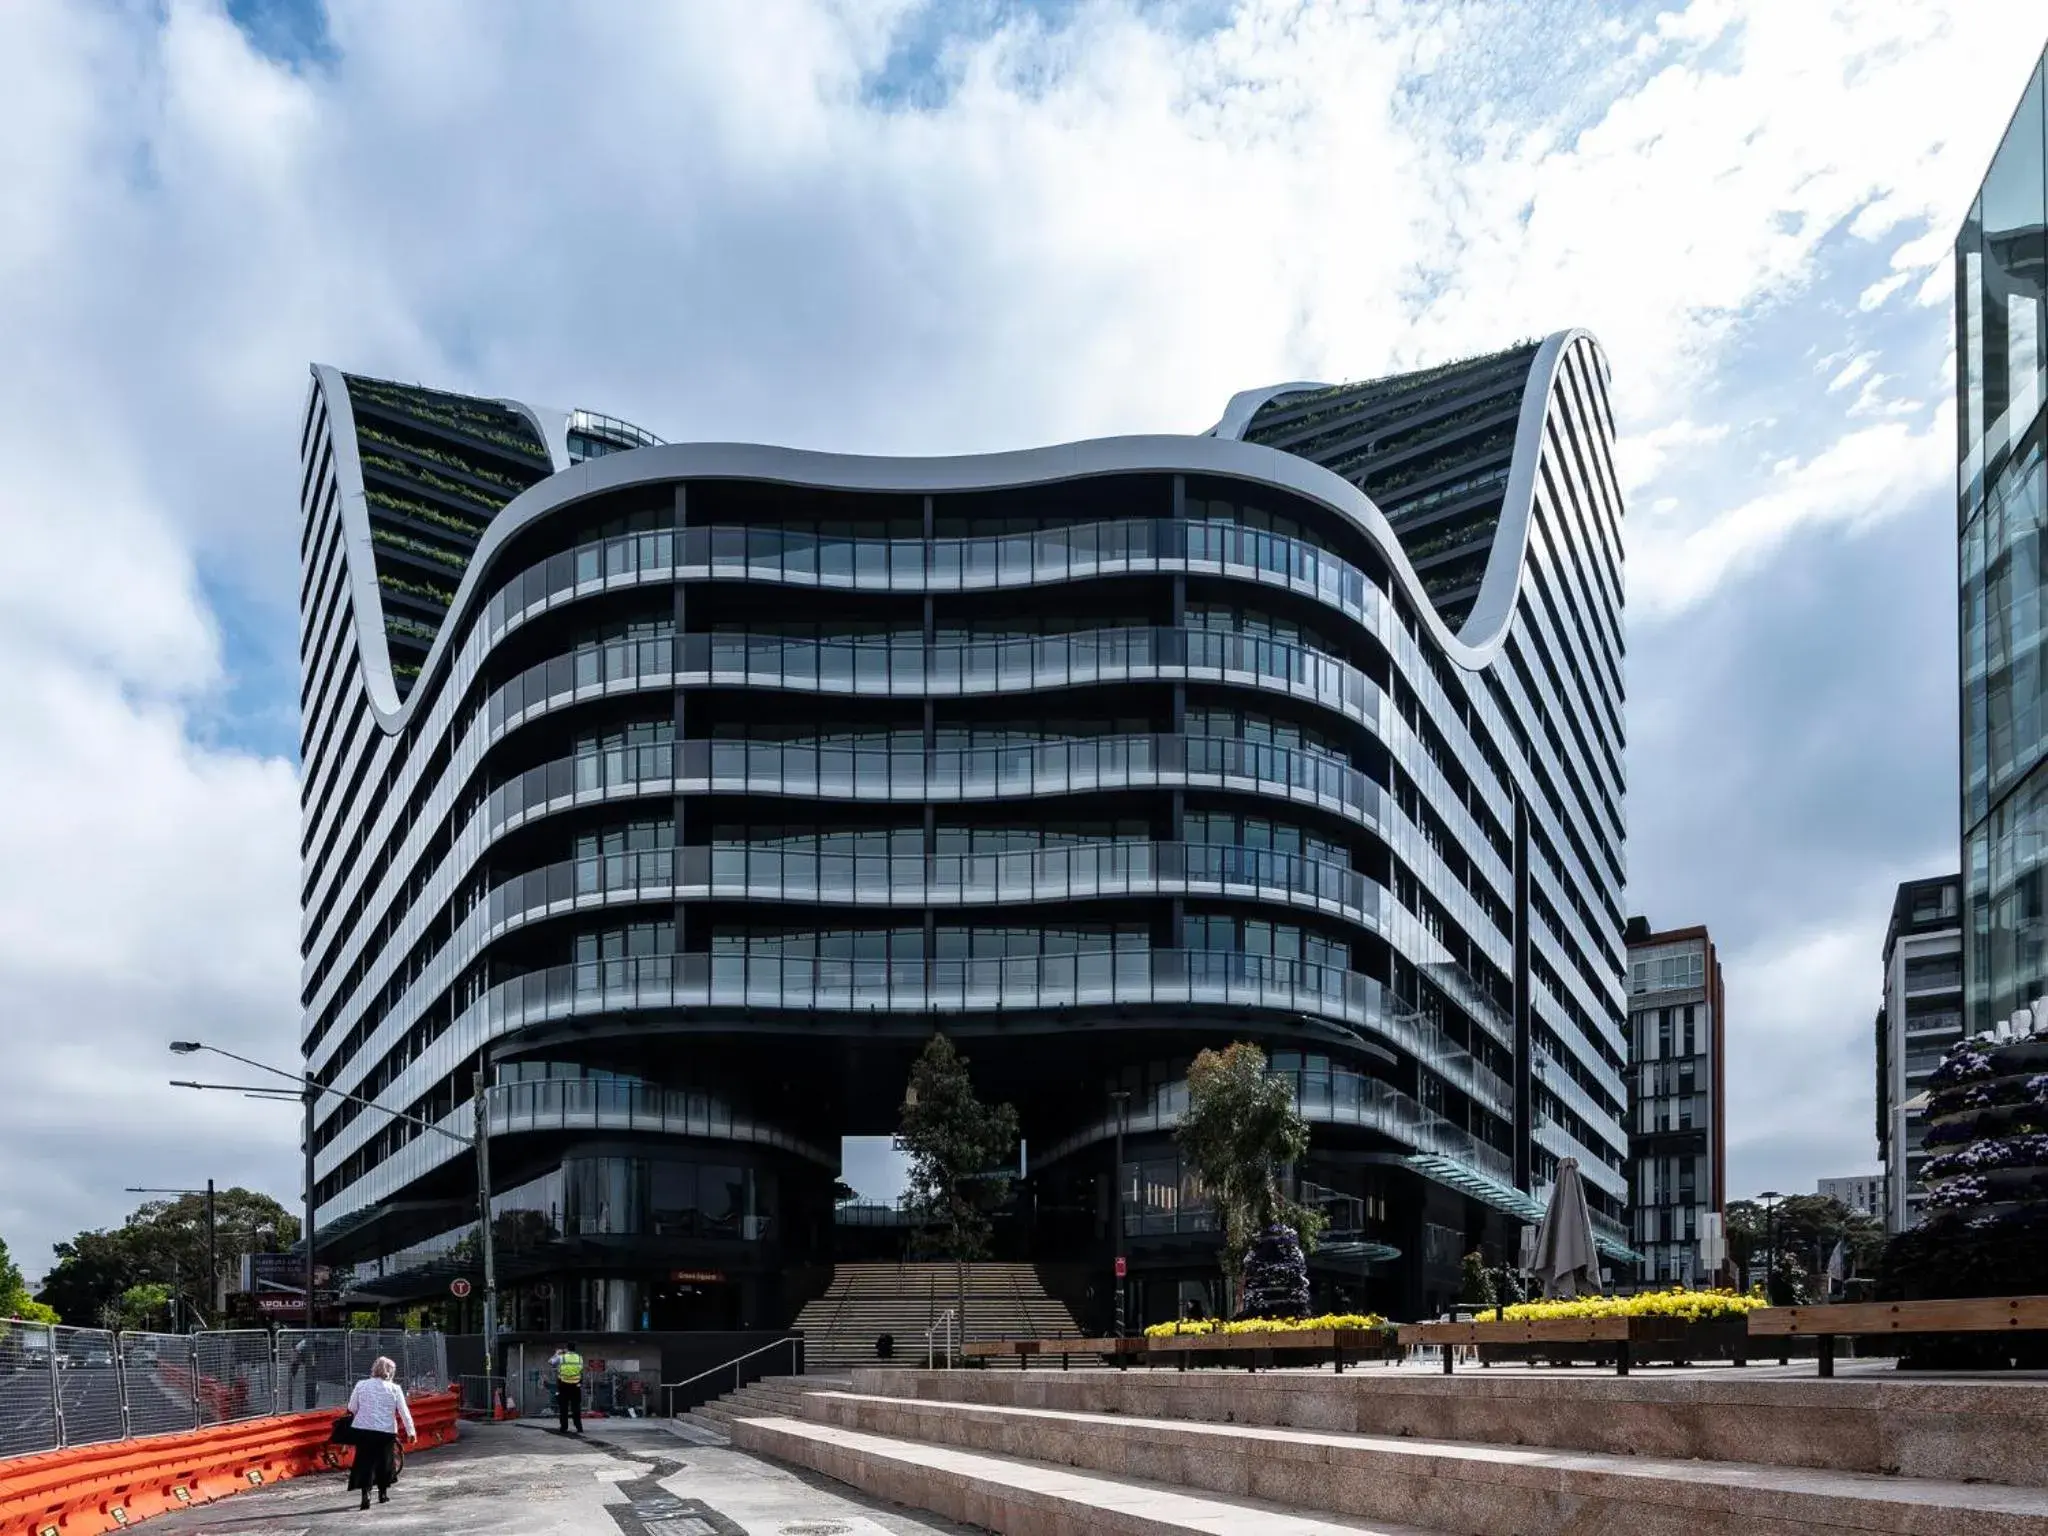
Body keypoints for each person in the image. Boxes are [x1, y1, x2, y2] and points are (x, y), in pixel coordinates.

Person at [344, 1356, 415, 1510]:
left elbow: (352, 1407)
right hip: (386, 1431)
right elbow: (404, 1412)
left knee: (365, 1462)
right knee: (385, 1462)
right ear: (390, 1372)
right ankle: (382, 1494)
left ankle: (366, 1495)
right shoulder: (395, 1388)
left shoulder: (361, 1385)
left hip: (363, 1429)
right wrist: (411, 1431)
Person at [548, 1341, 584, 1435]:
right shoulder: (579, 1358)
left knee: (563, 1407)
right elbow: (580, 1369)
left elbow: (551, 1362)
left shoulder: (562, 1357)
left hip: (564, 1385)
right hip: (576, 1385)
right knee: (576, 1407)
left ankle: (564, 1427)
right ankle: (579, 1427)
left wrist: (557, 1353)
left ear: (567, 1348)